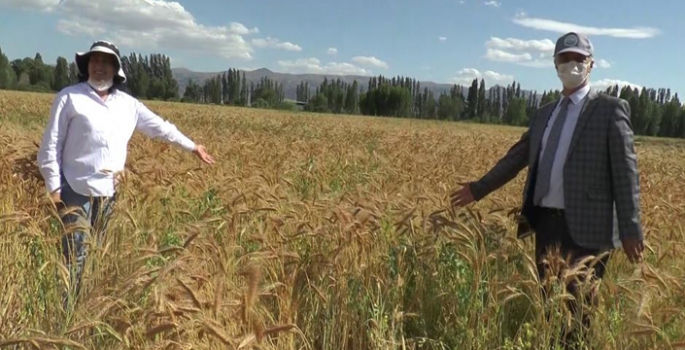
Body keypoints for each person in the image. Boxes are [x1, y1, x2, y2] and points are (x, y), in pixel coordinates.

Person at [450, 32, 644, 348]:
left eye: (579, 59)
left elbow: (626, 173)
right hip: (546, 224)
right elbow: (516, 158)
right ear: (555, 64)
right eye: (565, 59)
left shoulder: (610, 110)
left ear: (591, 64)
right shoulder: (545, 114)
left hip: (589, 229)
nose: (572, 65)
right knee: (550, 308)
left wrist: (631, 228)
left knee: (578, 312)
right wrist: (478, 188)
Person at [36, 40, 216, 309]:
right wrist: (53, 186)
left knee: (98, 254)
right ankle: (67, 312)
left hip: (110, 195)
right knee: (75, 256)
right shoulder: (69, 97)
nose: (100, 67)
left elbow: (161, 128)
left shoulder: (129, 105)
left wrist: (192, 146)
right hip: (75, 191)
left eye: (106, 62)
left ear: (116, 70)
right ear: (87, 66)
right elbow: (51, 144)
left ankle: (88, 307)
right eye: (95, 61)